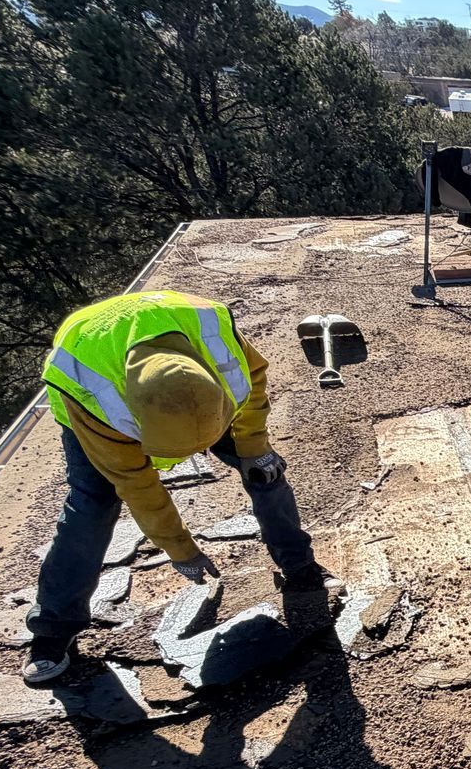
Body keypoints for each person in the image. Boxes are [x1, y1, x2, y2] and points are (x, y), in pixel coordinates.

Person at [23, 290, 335, 685]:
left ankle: (300, 566)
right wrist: (179, 548)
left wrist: (254, 449)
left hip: (200, 387)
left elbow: (252, 382)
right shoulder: (96, 394)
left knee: (266, 471)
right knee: (91, 505)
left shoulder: (216, 341)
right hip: (90, 399)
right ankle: (53, 629)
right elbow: (136, 483)